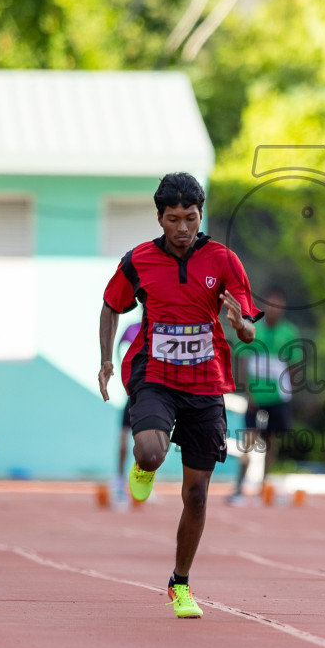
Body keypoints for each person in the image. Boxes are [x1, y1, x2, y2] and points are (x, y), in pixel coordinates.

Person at [98, 172, 260, 619]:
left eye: (191, 218)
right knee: (150, 452)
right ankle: (145, 463)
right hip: (155, 374)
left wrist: (243, 327)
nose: (184, 228)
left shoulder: (224, 260)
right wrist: (107, 358)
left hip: (205, 383)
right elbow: (112, 305)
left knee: (198, 495)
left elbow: (246, 322)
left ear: (200, 215)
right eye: (174, 219)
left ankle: (180, 583)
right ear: (160, 218)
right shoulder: (140, 260)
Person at [231, 287, 297, 505]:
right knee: (248, 440)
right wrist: (247, 392)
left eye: (277, 306)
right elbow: (242, 361)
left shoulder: (289, 333)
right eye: (270, 304)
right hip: (255, 396)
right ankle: (240, 486)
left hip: (278, 396)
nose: (273, 309)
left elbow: (294, 364)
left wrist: (289, 391)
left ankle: (262, 486)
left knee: (271, 441)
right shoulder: (253, 329)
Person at [111, 320, 143, 509]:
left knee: (144, 443)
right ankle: (119, 479)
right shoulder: (132, 329)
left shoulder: (160, 326)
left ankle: (140, 481)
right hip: (131, 395)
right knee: (123, 440)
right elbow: (118, 347)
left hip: (150, 396)